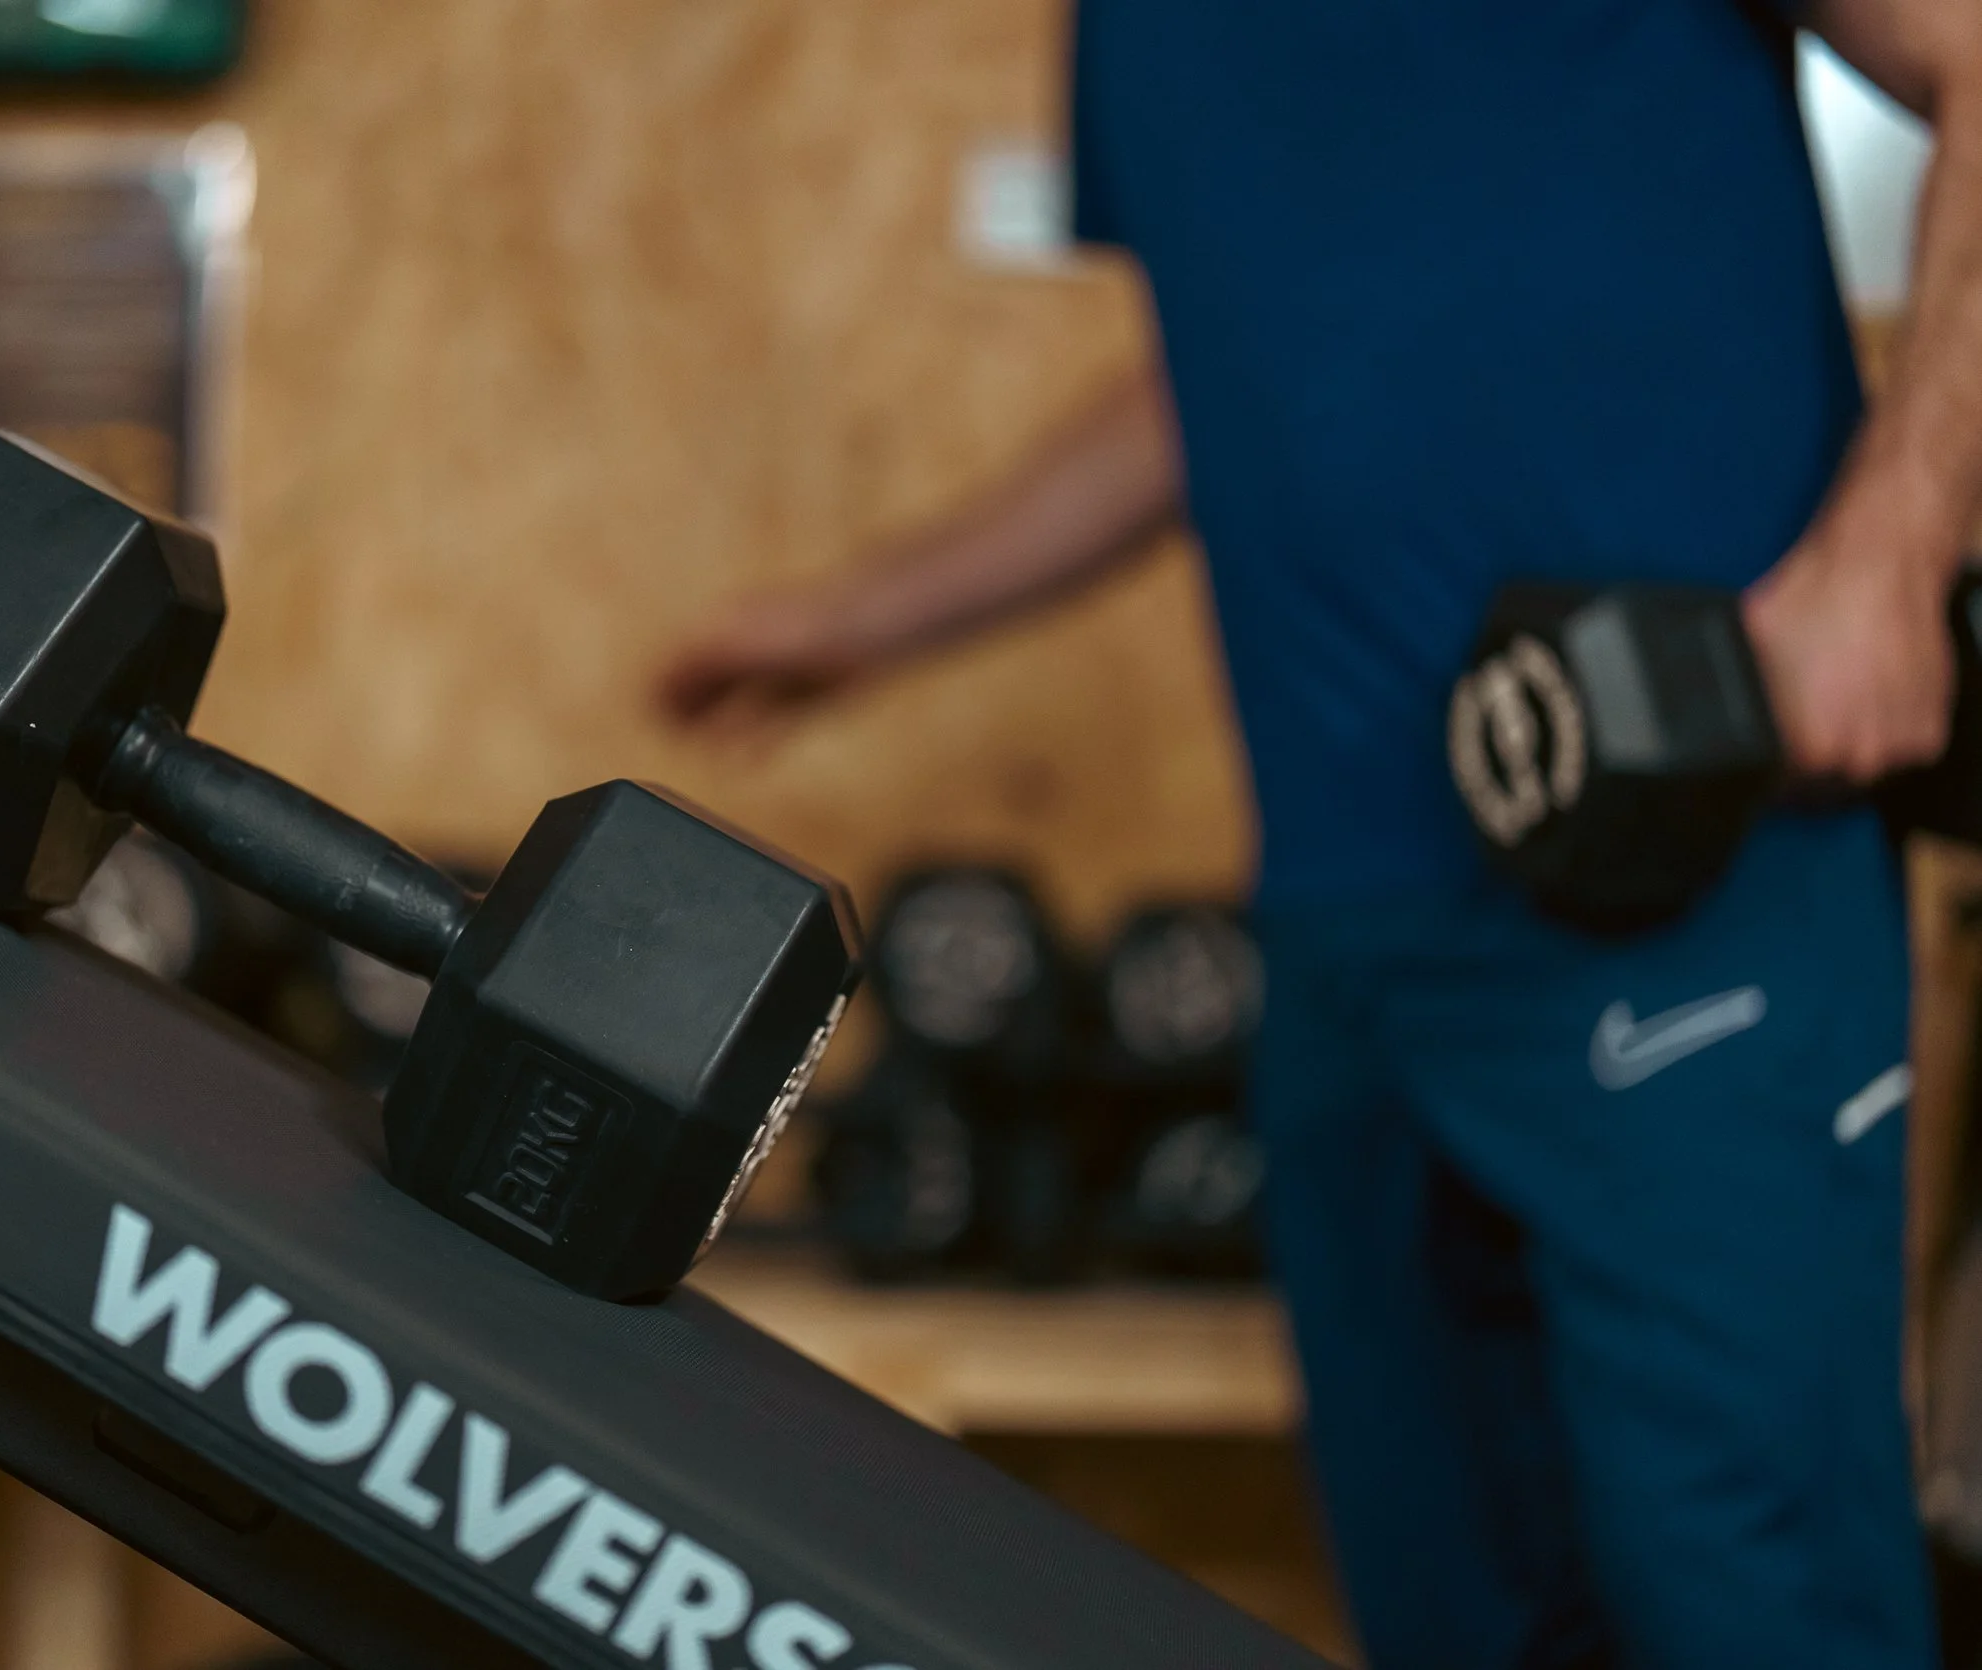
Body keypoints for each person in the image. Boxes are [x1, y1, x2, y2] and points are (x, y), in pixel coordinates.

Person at [657, 5, 1982, 1667]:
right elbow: (1224, 368)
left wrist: (1892, 554)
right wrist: (869, 616)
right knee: (1453, 1612)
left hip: (1692, 898)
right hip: (1348, 945)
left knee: (1750, 1605)